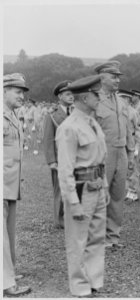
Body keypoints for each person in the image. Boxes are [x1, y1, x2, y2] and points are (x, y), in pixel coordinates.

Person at [56, 75, 110, 297]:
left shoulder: (92, 122)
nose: (100, 98)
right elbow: (65, 169)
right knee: (77, 239)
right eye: (97, 94)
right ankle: (79, 285)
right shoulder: (69, 127)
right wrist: (73, 202)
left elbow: (101, 158)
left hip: (97, 185)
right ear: (86, 97)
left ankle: (94, 279)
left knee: (97, 236)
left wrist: (105, 187)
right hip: (81, 187)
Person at [94, 60, 132, 248]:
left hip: (121, 152)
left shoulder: (122, 101)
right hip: (102, 154)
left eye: (118, 76)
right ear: (102, 78)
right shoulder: (93, 101)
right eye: (113, 76)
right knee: (100, 195)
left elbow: (127, 128)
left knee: (117, 195)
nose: (118, 80)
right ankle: (97, 237)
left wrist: (130, 152)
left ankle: (113, 236)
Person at [3, 73, 32, 296]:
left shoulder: (12, 114)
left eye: (23, 92)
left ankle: (9, 270)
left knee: (9, 232)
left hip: (11, 184)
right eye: (18, 91)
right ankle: (6, 283)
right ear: (3, 90)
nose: (22, 96)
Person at [43, 80, 74, 228]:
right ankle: (60, 220)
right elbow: (48, 139)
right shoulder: (52, 115)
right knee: (61, 190)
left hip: (76, 158)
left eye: (72, 93)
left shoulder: (76, 112)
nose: (71, 96)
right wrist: (51, 161)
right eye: (68, 94)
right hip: (60, 158)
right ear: (60, 96)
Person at [117, 90, 140, 202]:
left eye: (121, 98)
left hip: (132, 141)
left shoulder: (133, 112)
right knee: (123, 168)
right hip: (121, 142)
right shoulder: (118, 112)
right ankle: (127, 190)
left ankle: (133, 192)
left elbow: (139, 130)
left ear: (127, 99)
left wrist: (137, 146)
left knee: (133, 167)